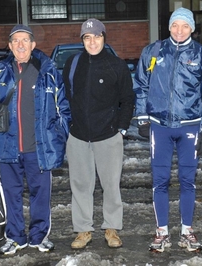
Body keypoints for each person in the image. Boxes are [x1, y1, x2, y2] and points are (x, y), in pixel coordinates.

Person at [133, 7, 202, 252]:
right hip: (159, 127)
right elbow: (140, 85)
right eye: (175, 25)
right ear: (169, 27)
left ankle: (187, 231)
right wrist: (142, 118)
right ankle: (161, 232)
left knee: (187, 181)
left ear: (192, 28)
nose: (179, 30)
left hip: (190, 125)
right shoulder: (153, 51)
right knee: (159, 181)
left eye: (185, 26)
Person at [0, 24, 71, 255]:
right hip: (7, 147)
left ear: (33, 44)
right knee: (11, 195)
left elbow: (63, 107)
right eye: (16, 41)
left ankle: (39, 236)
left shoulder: (48, 70)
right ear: (10, 46)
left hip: (38, 149)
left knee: (40, 195)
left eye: (25, 40)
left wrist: (58, 137)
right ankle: (14, 237)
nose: (20, 45)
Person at [62, 18, 134, 249]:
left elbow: (128, 100)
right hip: (79, 136)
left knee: (111, 185)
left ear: (104, 37)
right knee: (81, 186)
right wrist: (70, 127)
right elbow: (66, 98)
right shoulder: (73, 64)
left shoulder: (117, 65)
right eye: (87, 37)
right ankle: (83, 230)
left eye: (97, 36)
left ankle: (111, 227)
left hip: (109, 136)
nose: (92, 42)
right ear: (82, 40)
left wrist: (121, 129)